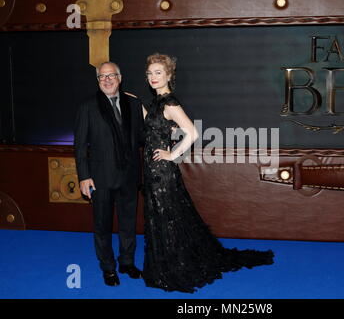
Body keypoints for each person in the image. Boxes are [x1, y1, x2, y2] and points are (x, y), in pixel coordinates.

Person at [141, 53, 274, 293]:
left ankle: (176, 267)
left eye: (158, 72)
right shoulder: (156, 104)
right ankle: (167, 265)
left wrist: (172, 155)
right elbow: (152, 129)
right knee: (162, 218)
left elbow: (192, 132)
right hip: (151, 171)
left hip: (162, 172)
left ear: (169, 75)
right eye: (150, 73)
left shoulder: (170, 103)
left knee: (168, 218)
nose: (153, 77)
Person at [74, 61, 144, 286]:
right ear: (98, 81)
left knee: (128, 223)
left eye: (111, 75)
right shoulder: (87, 106)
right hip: (100, 177)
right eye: (102, 77)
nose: (107, 79)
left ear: (120, 78)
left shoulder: (133, 104)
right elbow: (80, 145)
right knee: (102, 226)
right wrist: (84, 176)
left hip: (129, 175)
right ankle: (108, 268)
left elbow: (142, 137)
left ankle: (127, 262)